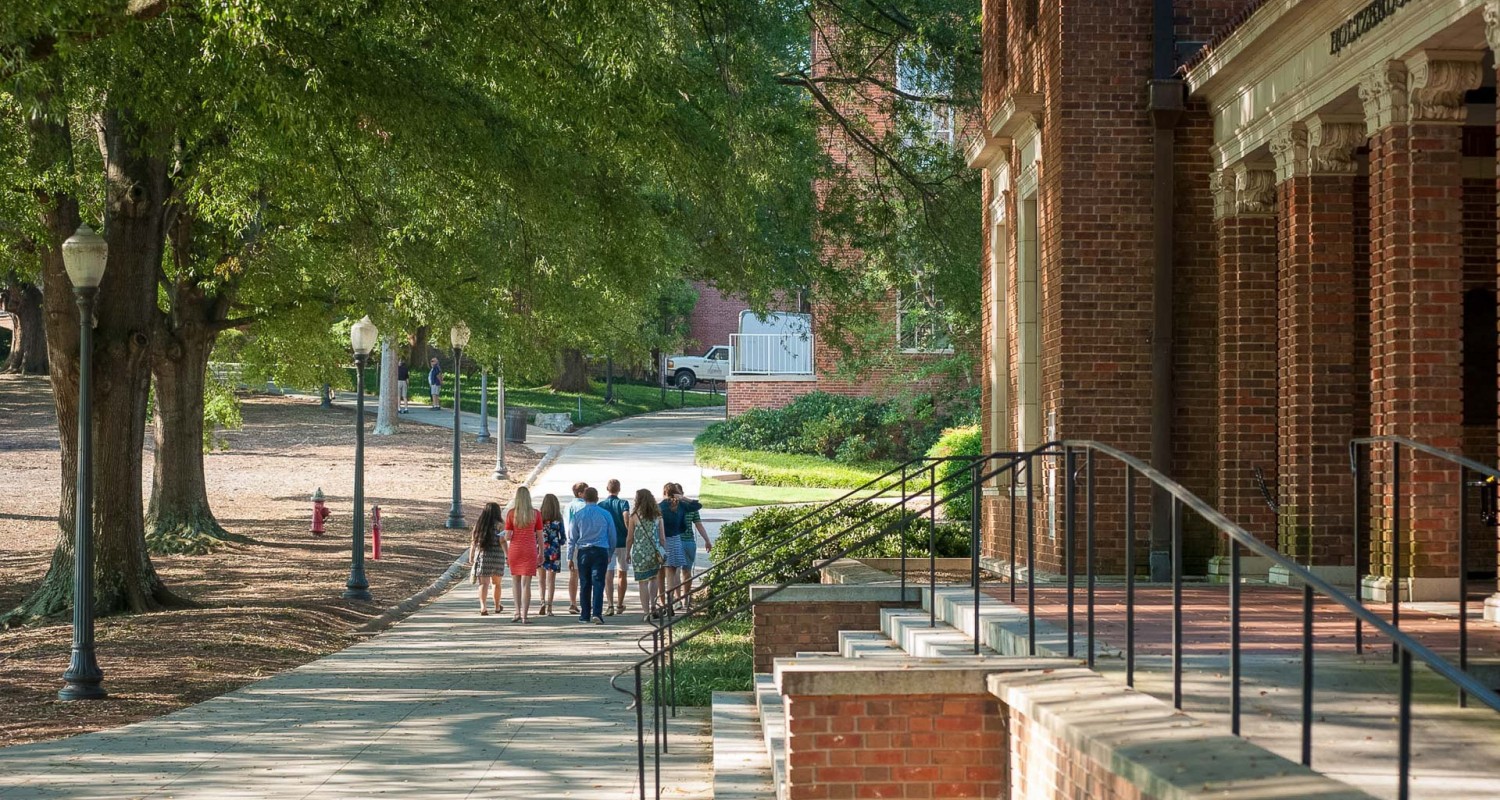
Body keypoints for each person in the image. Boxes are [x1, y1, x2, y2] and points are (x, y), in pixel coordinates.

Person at [568, 487, 615, 623]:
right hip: (600, 550)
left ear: (584, 498)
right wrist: (610, 552)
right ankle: (597, 613)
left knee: (585, 583)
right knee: (599, 582)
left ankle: (584, 614)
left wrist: (570, 556)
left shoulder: (578, 515)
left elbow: (572, 538)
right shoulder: (605, 514)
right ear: (597, 497)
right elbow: (612, 536)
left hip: (584, 551)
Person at [625, 489, 665, 621]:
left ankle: (646, 612)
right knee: (653, 579)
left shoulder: (634, 516)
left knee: (642, 582)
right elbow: (662, 538)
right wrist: (663, 551)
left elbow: (630, 537)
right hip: (654, 552)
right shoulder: (658, 516)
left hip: (639, 553)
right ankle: (653, 606)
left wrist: (627, 553)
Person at [505, 486, 543, 623]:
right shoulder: (535, 514)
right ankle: (525, 616)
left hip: (515, 549)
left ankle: (516, 612)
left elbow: (508, 537)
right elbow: (540, 535)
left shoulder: (511, 514)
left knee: (515, 582)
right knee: (527, 583)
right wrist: (542, 553)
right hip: (530, 549)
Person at [672, 482, 712, 609]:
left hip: (676, 541)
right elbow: (699, 524)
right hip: (689, 541)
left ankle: (678, 599)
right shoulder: (691, 507)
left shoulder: (670, 507)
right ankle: (685, 599)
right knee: (686, 572)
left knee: (676, 571)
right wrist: (707, 540)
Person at [598, 479, 631, 616]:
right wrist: (628, 531)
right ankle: (620, 604)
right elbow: (626, 517)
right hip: (622, 542)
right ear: (619, 489)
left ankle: (610, 604)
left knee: (608, 573)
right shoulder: (623, 503)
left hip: (607, 543)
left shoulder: (601, 505)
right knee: (622, 573)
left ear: (607, 488)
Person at [468, 502, 506, 616]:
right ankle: (497, 606)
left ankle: (483, 607)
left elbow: (473, 542)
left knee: (483, 584)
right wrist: (508, 555)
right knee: (496, 583)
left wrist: (471, 556)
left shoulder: (479, 525)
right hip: (497, 555)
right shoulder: (500, 525)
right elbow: (502, 541)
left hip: (483, 555)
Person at [658, 484, 691, 614]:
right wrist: (683, 498)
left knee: (660, 575)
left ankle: (663, 603)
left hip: (663, 541)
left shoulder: (660, 507)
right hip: (676, 539)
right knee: (672, 573)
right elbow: (697, 505)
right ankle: (670, 601)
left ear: (664, 492)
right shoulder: (680, 506)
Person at [537, 493, 566, 615]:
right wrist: (558, 542)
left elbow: (534, 533)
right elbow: (563, 537)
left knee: (541, 579)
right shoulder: (558, 519)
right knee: (551, 579)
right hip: (554, 550)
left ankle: (542, 601)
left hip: (541, 549)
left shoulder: (539, 517)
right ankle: (549, 606)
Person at [563, 482, 588, 615]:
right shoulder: (583, 506)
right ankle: (585, 602)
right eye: (586, 491)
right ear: (580, 493)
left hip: (571, 541)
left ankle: (573, 603)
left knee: (573, 574)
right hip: (582, 542)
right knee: (585, 574)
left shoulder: (568, 506)